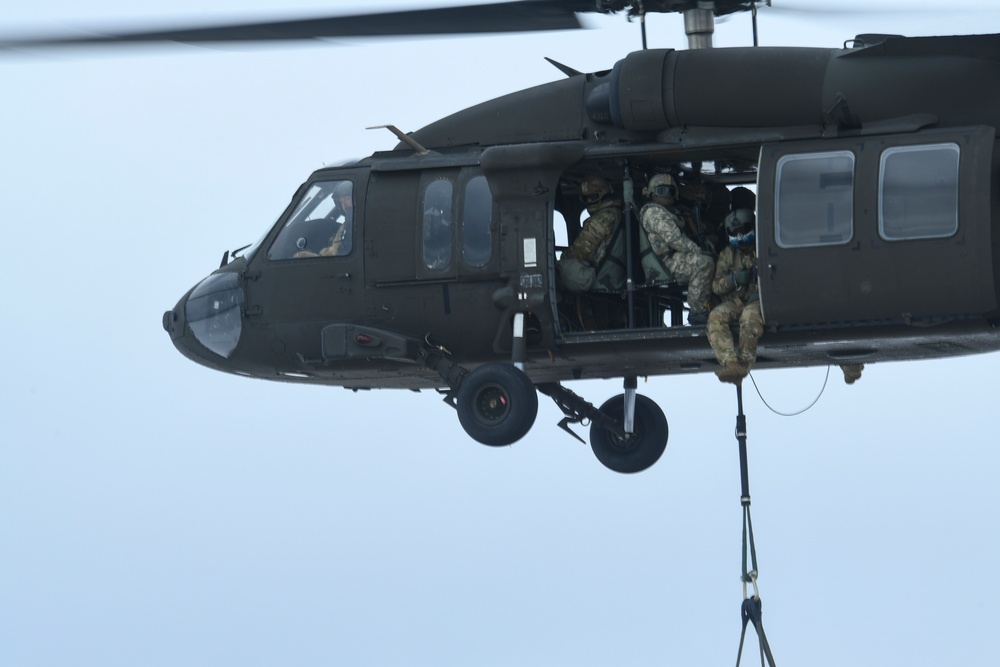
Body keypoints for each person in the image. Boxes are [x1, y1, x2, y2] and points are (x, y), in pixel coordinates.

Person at [639, 173, 714, 325]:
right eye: (661, 191)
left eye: (670, 192)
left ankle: (711, 308)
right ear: (651, 193)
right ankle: (698, 311)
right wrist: (697, 250)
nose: (666, 195)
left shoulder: (669, 211)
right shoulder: (654, 213)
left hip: (672, 258)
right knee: (704, 263)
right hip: (663, 264)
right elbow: (674, 240)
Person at [707, 208, 761, 384]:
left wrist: (759, 293)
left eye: (743, 231)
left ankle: (744, 365)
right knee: (716, 316)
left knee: (749, 317)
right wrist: (733, 280)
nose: (739, 237)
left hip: (759, 301)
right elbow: (716, 286)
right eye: (734, 232)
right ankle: (730, 364)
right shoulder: (727, 255)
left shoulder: (763, 249)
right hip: (737, 301)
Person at [558, 175, 626, 293]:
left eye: (593, 197)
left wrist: (562, 260)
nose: (589, 201)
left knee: (558, 272)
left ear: (604, 194)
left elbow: (579, 251)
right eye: (585, 199)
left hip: (602, 275)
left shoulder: (603, 218)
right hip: (611, 273)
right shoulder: (615, 213)